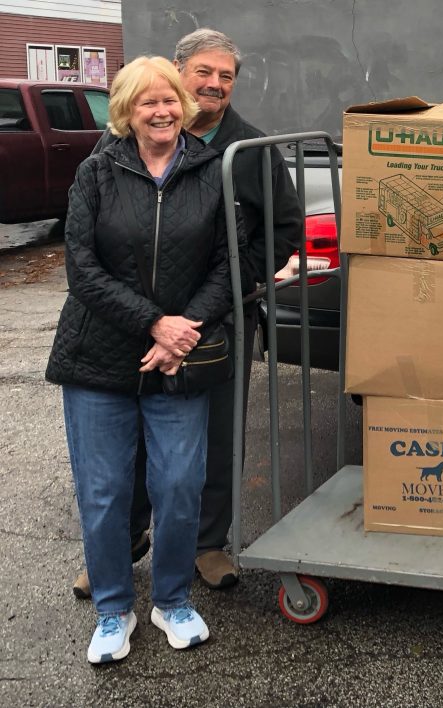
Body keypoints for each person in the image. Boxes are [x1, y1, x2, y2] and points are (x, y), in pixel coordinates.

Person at [72, 28, 303, 598]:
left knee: (215, 435)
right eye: (204, 72)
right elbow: (92, 240)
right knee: (126, 440)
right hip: (132, 321)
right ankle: (120, 546)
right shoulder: (115, 146)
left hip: (217, 319)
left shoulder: (249, 150)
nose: (214, 84)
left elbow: (282, 231)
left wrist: (224, 291)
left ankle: (206, 542)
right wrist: (143, 313)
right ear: (177, 73)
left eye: (226, 76)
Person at [46, 55, 232, 663]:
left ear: (186, 105)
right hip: (97, 358)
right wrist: (154, 321)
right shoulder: (96, 172)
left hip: (180, 360)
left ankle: (172, 600)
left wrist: (182, 334)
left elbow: (232, 263)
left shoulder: (212, 172)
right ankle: (113, 609)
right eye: (148, 102)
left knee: (179, 486)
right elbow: (82, 268)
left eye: (171, 99)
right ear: (126, 110)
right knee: (103, 491)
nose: (163, 111)